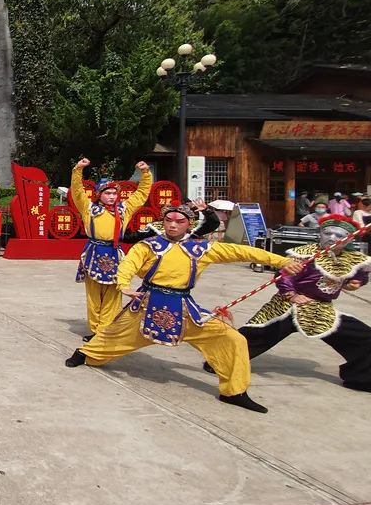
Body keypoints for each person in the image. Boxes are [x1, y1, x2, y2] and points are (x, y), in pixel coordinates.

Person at [65, 203, 303, 413]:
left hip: (184, 308)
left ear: (189, 224)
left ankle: (234, 392)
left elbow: (242, 251)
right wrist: (124, 284)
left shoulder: (202, 249)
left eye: (179, 221)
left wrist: (282, 261)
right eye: (168, 220)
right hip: (147, 304)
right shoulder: (147, 246)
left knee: (233, 340)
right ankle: (84, 354)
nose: (172, 225)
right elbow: (128, 264)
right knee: (112, 337)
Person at [203, 214, 371, 394]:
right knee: (255, 336)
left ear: (349, 238)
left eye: (339, 235)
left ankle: (360, 378)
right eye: (327, 233)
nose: (332, 238)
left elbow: (358, 277)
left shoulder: (353, 259)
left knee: (365, 337)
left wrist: (355, 283)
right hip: (287, 306)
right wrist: (292, 295)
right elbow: (284, 276)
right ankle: (219, 362)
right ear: (319, 233)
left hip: (321, 310)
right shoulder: (304, 254)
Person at [70, 159, 153, 342]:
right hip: (94, 253)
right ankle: (95, 329)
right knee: (93, 296)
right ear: (99, 194)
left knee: (113, 295)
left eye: (115, 193)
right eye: (108, 193)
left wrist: (145, 173)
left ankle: (104, 331)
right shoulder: (89, 208)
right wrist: (78, 169)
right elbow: (77, 191)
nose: (112, 196)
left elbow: (141, 194)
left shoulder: (124, 209)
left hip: (114, 253)